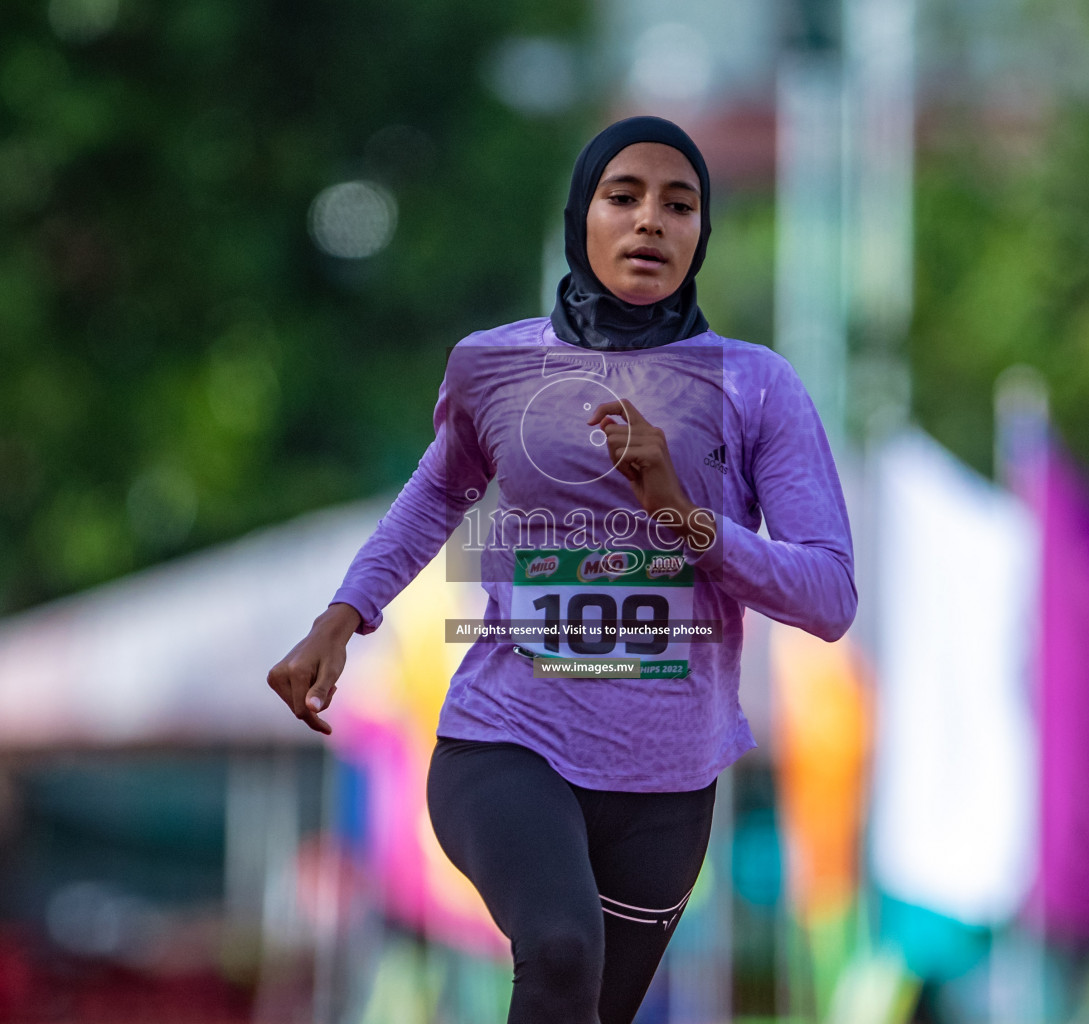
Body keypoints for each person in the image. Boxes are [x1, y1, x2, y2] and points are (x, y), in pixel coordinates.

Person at [267, 115, 858, 1024]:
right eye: (624, 197)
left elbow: (828, 597)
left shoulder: (756, 386)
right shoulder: (493, 365)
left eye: (680, 204)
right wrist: (341, 618)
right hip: (505, 742)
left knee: (581, 1004)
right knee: (559, 949)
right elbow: (436, 496)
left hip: (667, 788)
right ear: (583, 215)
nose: (651, 222)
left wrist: (689, 519)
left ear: (704, 234)